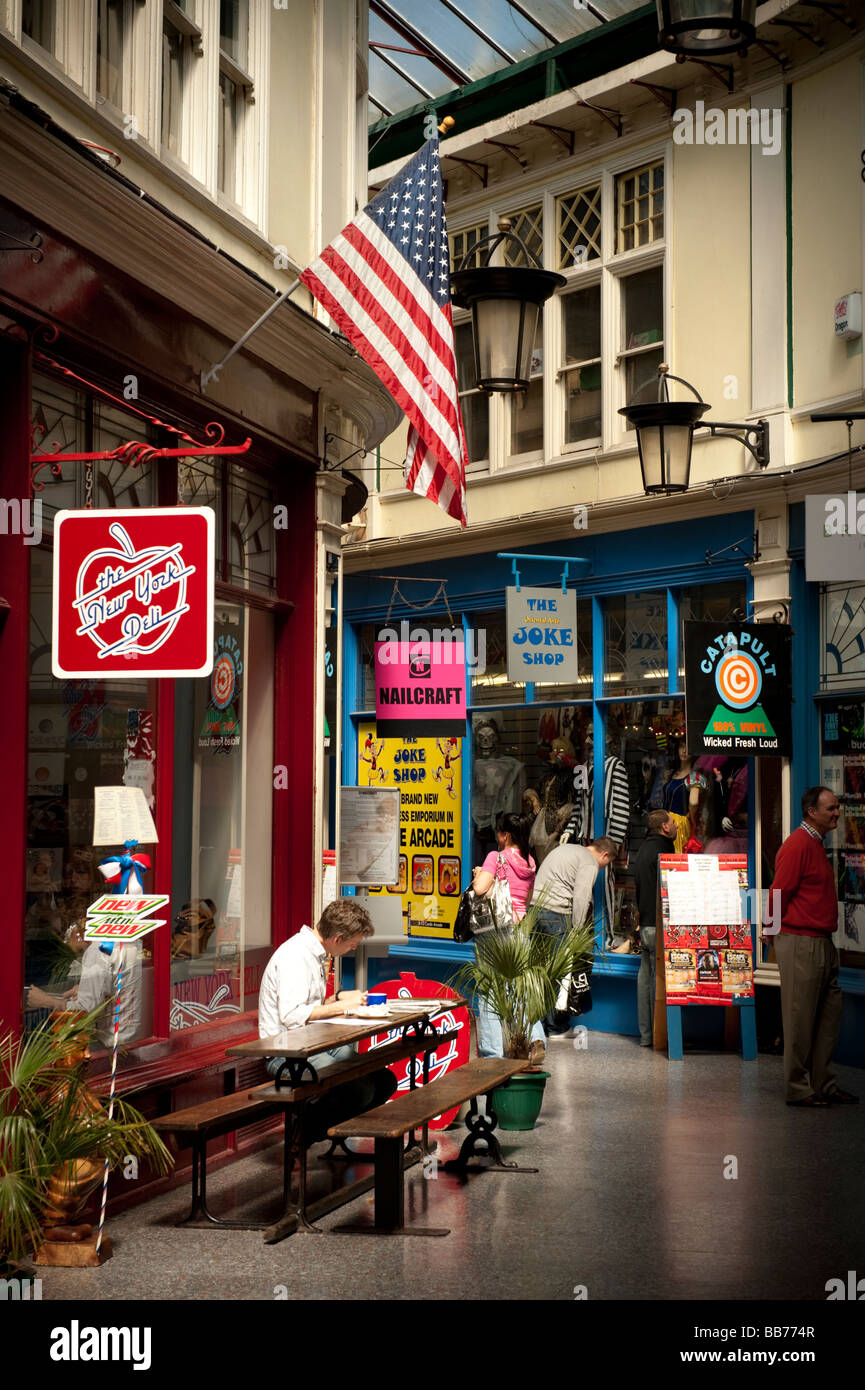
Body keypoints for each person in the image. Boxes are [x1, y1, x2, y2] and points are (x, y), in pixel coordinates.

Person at [257, 898, 397, 1139]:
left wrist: (340, 997)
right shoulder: (296, 956)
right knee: (359, 1088)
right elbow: (292, 1016)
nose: (353, 949)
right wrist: (343, 1007)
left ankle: (329, 1129)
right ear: (337, 939)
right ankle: (303, 1136)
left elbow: (310, 1006)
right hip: (286, 1055)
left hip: (312, 1045)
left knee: (383, 1079)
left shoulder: (313, 953)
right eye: (352, 945)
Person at [772, 786, 856, 1107]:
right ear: (812, 812)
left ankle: (824, 1084)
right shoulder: (797, 845)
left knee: (826, 1018)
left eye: (837, 807)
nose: (837, 813)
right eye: (831, 808)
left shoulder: (815, 844)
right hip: (800, 942)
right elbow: (778, 893)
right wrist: (772, 936)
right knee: (800, 1018)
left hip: (822, 941)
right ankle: (797, 1087)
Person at [471, 811, 546, 1064]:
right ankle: (535, 1040)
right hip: (520, 929)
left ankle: (493, 1052)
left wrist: (479, 873)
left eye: (499, 833)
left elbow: (481, 888)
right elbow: (526, 898)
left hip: (496, 931)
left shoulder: (496, 856)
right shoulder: (530, 862)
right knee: (520, 991)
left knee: (490, 991)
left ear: (505, 835)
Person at [530, 836, 616, 1036]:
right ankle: (555, 1027)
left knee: (541, 970)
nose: (603, 868)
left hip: (536, 911)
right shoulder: (589, 861)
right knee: (558, 972)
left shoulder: (566, 849)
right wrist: (578, 933)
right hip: (556, 914)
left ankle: (539, 1025)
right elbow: (581, 897)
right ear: (604, 854)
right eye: (606, 864)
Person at [632, 810, 676, 1048]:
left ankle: (646, 1036)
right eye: (673, 823)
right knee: (659, 981)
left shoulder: (642, 850)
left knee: (645, 978)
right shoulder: (666, 850)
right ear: (665, 828)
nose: (676, 826)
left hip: (645, 924)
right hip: (660, 924)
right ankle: (660, 1035)